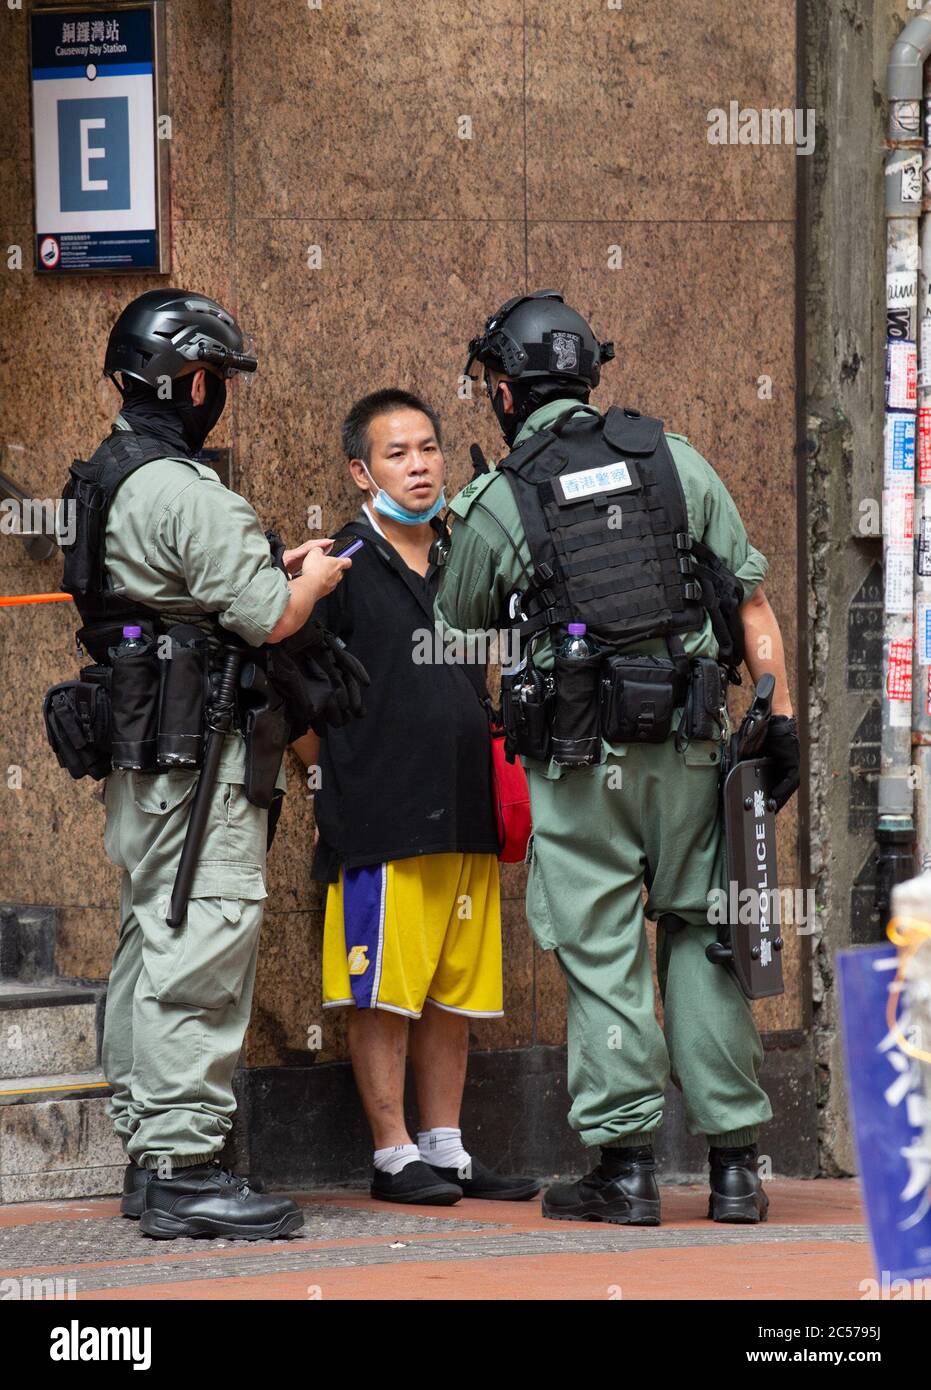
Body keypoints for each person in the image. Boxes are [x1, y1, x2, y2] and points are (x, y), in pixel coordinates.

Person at [434, 291, 800, 1225]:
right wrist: (781, 718)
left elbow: (457, 614)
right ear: (590, 372)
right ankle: (734, 1171)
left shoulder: (503, 492)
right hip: (691, 747)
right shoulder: (673, 459)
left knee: (602, 952)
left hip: (578, 759)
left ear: (507, 393)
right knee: (702, 938)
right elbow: (750, 603)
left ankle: (627, 1172)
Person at [47, 289, 360, 1240]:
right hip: (198, 755)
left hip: (146, 755)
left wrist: (269, 557)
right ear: (185, 378)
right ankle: (186, 1170)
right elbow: (267, 617)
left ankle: (154, 1156)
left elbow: (181, 585)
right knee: (202, 941)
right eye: (214, 378)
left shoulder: (104, 475)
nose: (215, 394)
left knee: (154, 940)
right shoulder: (183, 484)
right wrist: (303, 578)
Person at [293, 388, 539, 1205]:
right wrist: (335, 774)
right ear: (362, 472)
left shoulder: (467, 554)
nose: (420, 465)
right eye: (397, 453)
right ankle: (393, 1152)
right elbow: (292, 689)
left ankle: (446, 1146)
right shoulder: (339, 569)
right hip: (382, 814)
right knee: (381, 990)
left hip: (469, 807)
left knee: (452, 989)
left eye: (428, 448)